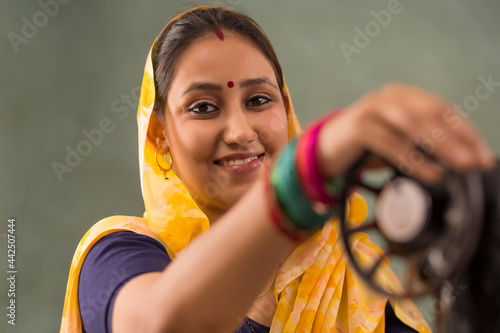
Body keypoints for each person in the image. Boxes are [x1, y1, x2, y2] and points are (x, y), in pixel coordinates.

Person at [60, 6, 495, 333]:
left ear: (286, 111)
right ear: (159, 135)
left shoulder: (350, 283)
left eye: (259, 100)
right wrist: (305, 177)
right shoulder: (118, 255)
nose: (239, 131)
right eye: (204, 107)